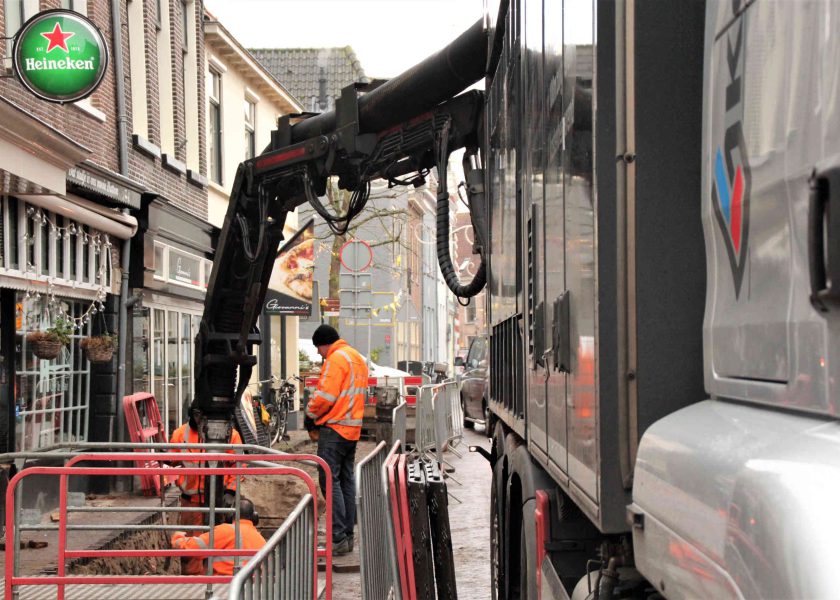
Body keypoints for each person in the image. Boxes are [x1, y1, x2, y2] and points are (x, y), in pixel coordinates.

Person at [305, 324, 368, 556]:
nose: (319, 354)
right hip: (352, 430)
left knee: (330, 483)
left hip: (334, 429)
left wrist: (309, 414)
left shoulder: (336, 359)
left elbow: (325, 396)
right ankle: (348, 537)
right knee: (346, 480)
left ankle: (338, 538)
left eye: (318, 349)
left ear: (324, 343)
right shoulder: (356, 357)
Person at [170, 401, 243, 574]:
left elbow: (239, 466)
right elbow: (171, 458)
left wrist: (231, 491)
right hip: (191, 503)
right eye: (197, 415)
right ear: (193, 414)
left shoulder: (230, 435)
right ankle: (193, 582)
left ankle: (215, 576)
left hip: (219, 502)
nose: (201, 419)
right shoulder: (182, 434)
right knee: (192, 548)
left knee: (218, 543)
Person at [171, 497, 266, 576]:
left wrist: (178, 538)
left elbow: (195, 548)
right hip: (251, 588)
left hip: (224, 584)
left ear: (230, 514)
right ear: (254, 517)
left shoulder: (226, 531)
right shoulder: (261, 539)